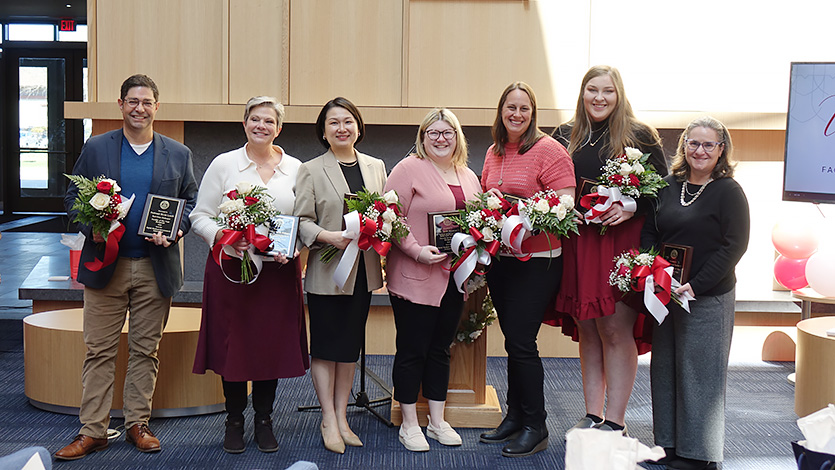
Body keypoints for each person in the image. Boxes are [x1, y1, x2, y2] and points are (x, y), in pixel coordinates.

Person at [56, 74, 198, 460]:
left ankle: (138, 424)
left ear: (157, 107)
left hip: (155, 267)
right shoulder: (97, 147)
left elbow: (191, 202)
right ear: (120, 105)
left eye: (147, 102)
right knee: (98, 351)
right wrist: (91, 227)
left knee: (145, 350)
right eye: (132, 101)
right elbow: (72, 197)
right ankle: (93, 431)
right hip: (106, 265)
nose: (140, 108)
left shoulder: (178, 153)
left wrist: (177, 230)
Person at [548, 65, 667, 436]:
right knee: (588, 328)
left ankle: (615, 420)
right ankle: (592, 413)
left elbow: (662, 191)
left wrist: (632, 206)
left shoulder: (640, 135)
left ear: (619, 95)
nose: (599, 98)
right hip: (579, 243)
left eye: (608, 91)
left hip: (619, 244)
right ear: (582, 93)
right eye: (592, 90)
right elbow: (549, 183)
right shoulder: (564, 135)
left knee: (615, 330)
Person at [190, 97, 309, 453]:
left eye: (269, 121)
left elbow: (304, 221)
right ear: (244, 124)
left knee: (269, 347)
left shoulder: (296, 168)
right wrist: (225, 238)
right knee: (234, 348)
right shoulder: (224, 164)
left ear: (279, 128)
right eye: (255, 119)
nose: (261, 126)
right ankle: (234, 420)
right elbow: (200, 216)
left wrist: (294, 248)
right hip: (232, 272)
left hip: (278, 274)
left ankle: (264, 420)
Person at [641, 116, 749, 470]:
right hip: (667, 292)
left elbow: (734, 246)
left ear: (721, 150)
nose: (699, 151)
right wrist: (653, 270)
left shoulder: (729, 192)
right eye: (693, 143)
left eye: (708, 145)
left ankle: (699, 454)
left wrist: (697, 284)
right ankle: (668, 445)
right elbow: (650, 232)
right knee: (665, 369)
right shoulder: (667, 186)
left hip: (707, 295)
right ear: (683, 146)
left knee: (700, 375)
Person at [477, 82, 575, 457]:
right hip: (502, 261)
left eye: (524, 109)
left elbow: (566, 201)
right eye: (510, 108)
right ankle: (515, 416)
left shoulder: (549, 150)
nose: (516, 115)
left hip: (537, 261)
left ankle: (536, 425)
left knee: (521, 342)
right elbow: (486, 197)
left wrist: (527, 215)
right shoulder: (494, 151)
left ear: (533, 114)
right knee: (513, 341)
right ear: (501, 112)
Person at [383, 109, 481, 452]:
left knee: (440, 349)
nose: (441, 139)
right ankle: (409, 423)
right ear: (422, 138)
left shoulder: (468, 175)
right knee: (412, 351)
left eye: (447, 132)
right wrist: (415, 250)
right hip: (414, 276)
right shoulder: (408, 168)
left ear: (457, 137)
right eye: (433, 133)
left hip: (453, 277)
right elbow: (389, 216)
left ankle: (437, 421)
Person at [294, 97, 387, 454]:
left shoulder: (376, 167)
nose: (342, 128)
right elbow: (302, 221)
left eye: (348, 121)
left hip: (362, 271)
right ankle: (328, 419)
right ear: (323, 131)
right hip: (328, 271)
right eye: (333, 123)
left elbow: (385, 212)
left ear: (358, 128)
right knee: (326, 346)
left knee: (349, 347)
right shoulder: (311, 170)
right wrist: (327, 236)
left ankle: (343, 416)